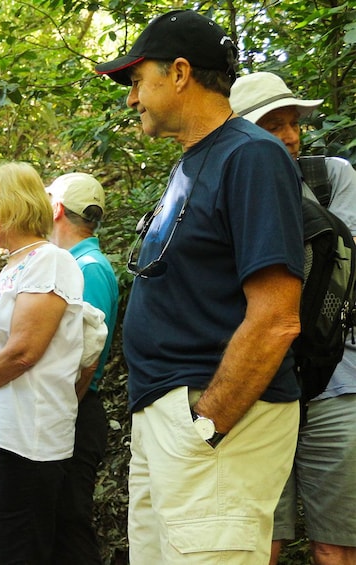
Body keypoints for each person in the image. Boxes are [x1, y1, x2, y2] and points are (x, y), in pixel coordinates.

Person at [95, 9, 305, 564]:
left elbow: (277, 316)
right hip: (169, 417)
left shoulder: (252, 155)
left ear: (181, 73)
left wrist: (207, 424)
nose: (132, 98)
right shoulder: (196, 162)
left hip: (211, 421)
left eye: (138, 80)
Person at [229, 71, 356, 565]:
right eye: (271, 125)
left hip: (337, 381)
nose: (288, 136)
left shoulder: (332, 178)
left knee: (337, 545)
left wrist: (278, 185)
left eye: (293, 123)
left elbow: (338, 257)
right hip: (257, 385)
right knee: (259, 543)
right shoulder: (223, 189)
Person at [0, 162, 85, 564]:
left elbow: (23, 352)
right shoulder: (11, 266)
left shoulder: (50, 260)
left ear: (8, 206)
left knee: (18, 551)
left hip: (29, 440)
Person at [46, 172, 119, 564]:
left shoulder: (86, 267)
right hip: (68, 410)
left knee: (69, 524)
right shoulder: (72, 263)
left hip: (73, 411)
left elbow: (84, 359)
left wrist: (56, 414)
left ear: (57, 209)